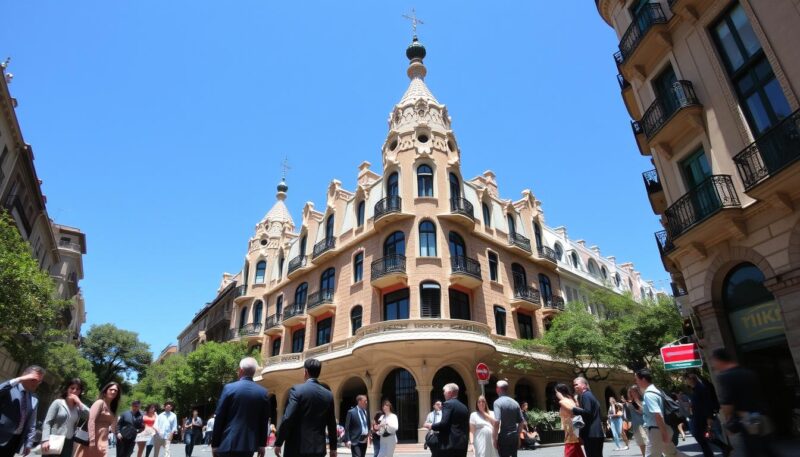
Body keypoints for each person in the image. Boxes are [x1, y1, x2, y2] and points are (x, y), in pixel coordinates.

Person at [711, 348, 779, 457]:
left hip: (747, 421)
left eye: (713, 361)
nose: (714, 365)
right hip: (762, 417)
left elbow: (727, 405)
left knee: (753, 451)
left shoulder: (725, 377)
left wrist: (728, 422)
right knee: (766, 449)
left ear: (719, 360)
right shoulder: (748, 373)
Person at [274, 358, 337, 457]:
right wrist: (333, 448)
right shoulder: (328, 395)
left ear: (306, 372)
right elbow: (332, 423)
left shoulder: (297, 390)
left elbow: (288, 418)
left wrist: (279, 442)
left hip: (297, 448)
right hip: (318, 449)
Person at [211, 357, 270, 457]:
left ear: (241, 370)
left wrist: (215, 444)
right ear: (254, 372)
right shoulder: (263, 392)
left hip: (228, 443)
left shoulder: (229, 388)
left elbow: (219, 417)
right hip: (248, 446)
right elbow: (264, 420)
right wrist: (261, 444)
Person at [634, 369, 687, 457]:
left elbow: (658, 414)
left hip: (657, 430)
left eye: (636, 379)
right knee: (672, 454)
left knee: (651, 455)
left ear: (643, 379)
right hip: (662, 428)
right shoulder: (656, 390)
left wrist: (664, 433)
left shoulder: (649, 394)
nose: (636, 382)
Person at [40, 378, 91, 457]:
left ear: (80, 392)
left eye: (78, 389)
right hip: (54, 439)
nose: (74, 391)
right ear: (67, 389)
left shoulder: (78, 408)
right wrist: (45, 439)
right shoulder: (58, 403)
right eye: (72, 388)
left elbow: (91, 415)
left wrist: (79, 403)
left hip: (68, 442)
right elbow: (47, 422)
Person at [0, 366, 44, 457]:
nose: (36, 383)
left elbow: (32, 423)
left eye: (39, 381)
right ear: (25, 376)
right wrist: (19, 379)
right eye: (33, 379)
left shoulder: (34, 398)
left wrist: (29, 443)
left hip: (14, 441)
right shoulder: (10, 389)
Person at [74, 382, 121, 457]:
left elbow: (113, 430)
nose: (113, 391)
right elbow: (91, 421)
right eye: (111, 389)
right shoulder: (100, 403)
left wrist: (112, 446)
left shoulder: (114, 409)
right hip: (92, 439)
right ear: (105, 391)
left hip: (104, 442)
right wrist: (92, 440)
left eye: (116, 391)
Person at [568, 377, 603, 457]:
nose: (574, 386)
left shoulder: (585, 395)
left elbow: (588, 412)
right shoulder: (590, 395)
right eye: (573, 385)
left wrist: (574, 410)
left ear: (584, 385)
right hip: (596, 433)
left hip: (591, 433)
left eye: (576, 384)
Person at [431, 384, 468, 457]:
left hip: (449, 444)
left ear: (449, 392)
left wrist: (431, 426)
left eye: (444, 391)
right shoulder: (464, 407)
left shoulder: (448, 404)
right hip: (462, 444)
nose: (443, 393)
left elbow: (443, 424)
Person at [492, 380, 525, 457]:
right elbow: (522, 421)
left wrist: (494, 438)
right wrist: (518, 435)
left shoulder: (497, 402)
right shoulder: (515, 403)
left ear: (498, 389)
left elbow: (497, 421)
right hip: (514, 436)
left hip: (504, 436)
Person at [553, 383, 584, 457]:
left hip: (571, 430)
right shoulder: (570, 399)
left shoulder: (564, 401)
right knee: (577, 452)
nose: (556, 394)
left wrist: (562, 399)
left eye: (556, 392)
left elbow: (573, 411)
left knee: (570, 451)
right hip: (571, 430)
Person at [625, 386, 647, 457]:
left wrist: (635, 400)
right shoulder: (630, 402)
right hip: (635, 425)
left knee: (646, 442)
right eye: (630, 392)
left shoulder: (643, 400)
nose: (632, 393)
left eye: (633, 391)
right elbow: (628, 414)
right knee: (641, 443)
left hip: (643, 424)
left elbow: (641, 411)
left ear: (637, 391)